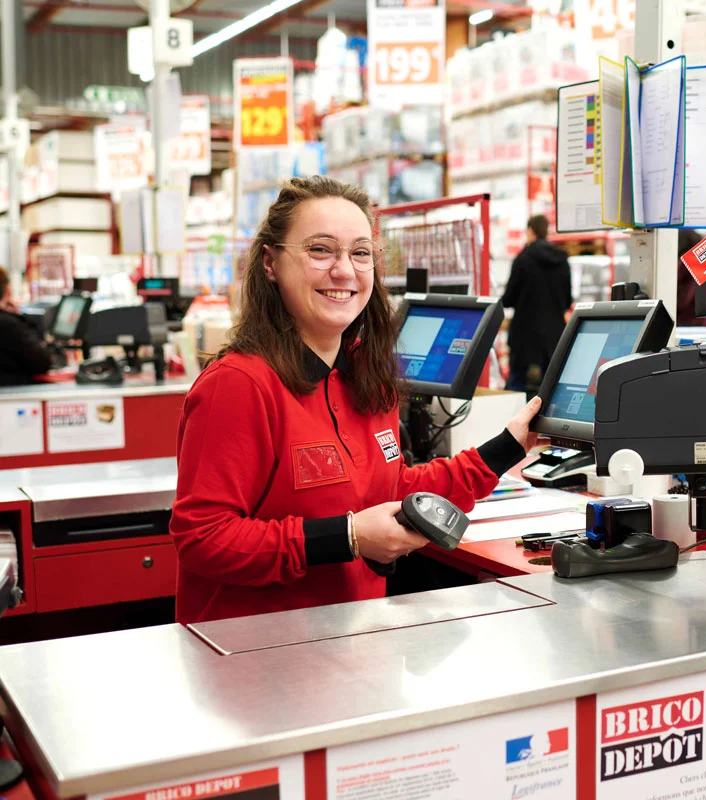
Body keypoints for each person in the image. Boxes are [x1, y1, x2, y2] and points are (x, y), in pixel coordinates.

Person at [170, 177, 541, 624]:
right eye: (320, 250)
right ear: (271, 263)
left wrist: (508, 446)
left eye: (360, 253)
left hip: (356, 643)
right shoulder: (239, 385)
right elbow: (203, 539)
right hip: (259, 658)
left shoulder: (365, 374)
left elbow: (391, 490)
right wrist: (346, 537)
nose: (344, 270)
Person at [501, 214, 572, 395]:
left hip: (524, 337)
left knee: (516, 388)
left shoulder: (522, 259)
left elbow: (509, 299)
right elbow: (567, 300)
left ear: (530, 231)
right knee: (551, 388)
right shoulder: (562, 260)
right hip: (553, 336)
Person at [0, 267, 53, 386]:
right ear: (8, 290)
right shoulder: (9, 324)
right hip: (11, 395)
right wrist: (18, 315)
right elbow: (41, 362)